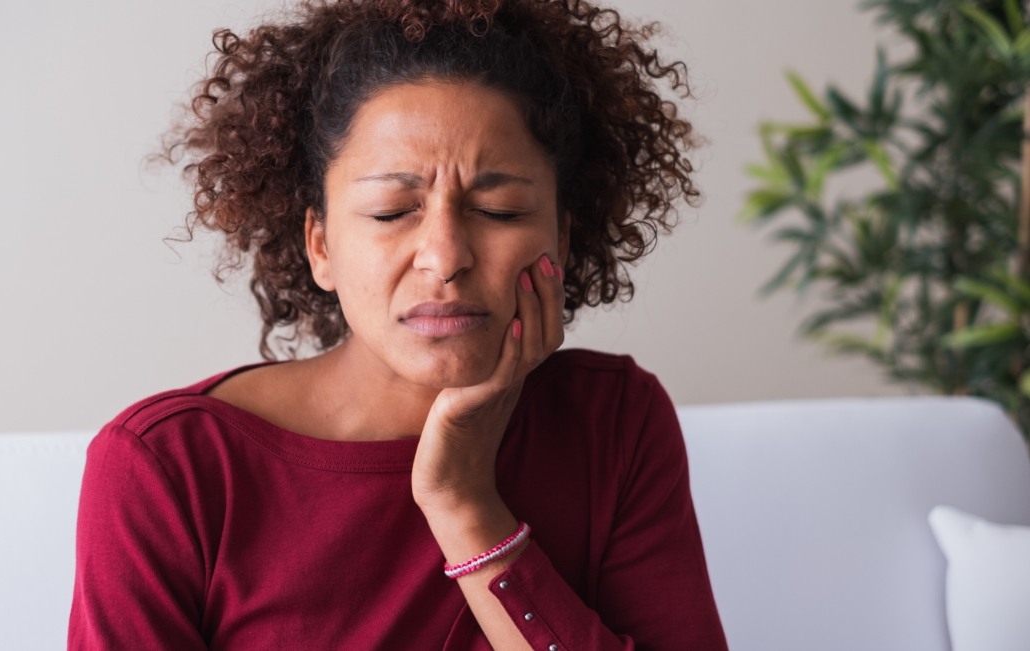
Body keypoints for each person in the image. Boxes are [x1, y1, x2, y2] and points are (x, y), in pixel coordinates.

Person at [68, 0, 728, 648]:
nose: (445, 257)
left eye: (498, 210)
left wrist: (465, 502)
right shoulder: (166, 470)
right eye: (390, 212)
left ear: (561, 235)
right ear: (321, 246)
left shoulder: (612, 423)